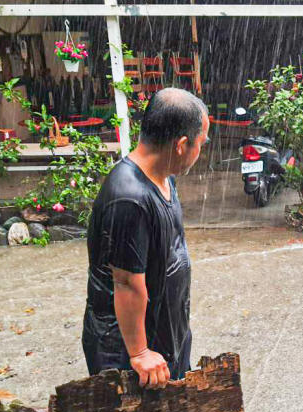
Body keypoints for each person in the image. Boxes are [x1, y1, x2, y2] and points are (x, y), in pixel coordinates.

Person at [82, 88, 209, 388]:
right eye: (200, 144)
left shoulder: (163, 177)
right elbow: (125, 282)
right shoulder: (129, 198)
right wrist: (139, 352)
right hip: (132, 356)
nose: (200, 152)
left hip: (165, 339)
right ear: (181, 145)